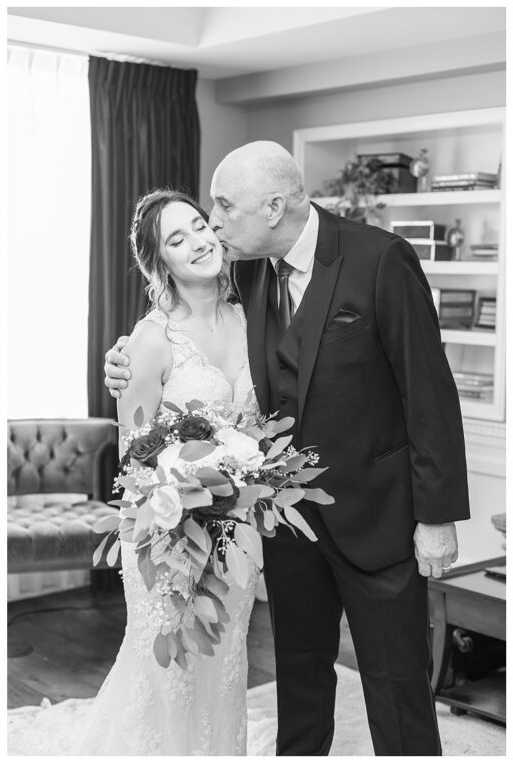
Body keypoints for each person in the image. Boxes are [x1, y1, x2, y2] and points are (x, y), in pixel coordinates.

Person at [104, 141, 469, 755]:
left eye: (221, 208)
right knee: (300, 683)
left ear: (273, 208)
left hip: (377, 516)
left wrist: (436, 517)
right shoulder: (244, 274)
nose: (212, 226)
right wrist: (123, 360)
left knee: (397, 687)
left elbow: (430, 393)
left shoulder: (379, 259)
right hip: (285, 526)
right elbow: (176, 332)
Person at [8, 191, 262, 755]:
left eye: (199, 226)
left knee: (225, 656)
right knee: (168, 665)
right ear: (159, 263)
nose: (197, 241)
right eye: (177, 239)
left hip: (239, 525)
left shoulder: (254, 319)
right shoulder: (150, 341)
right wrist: (186, 499)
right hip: (166, 526)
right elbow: (136, 456)